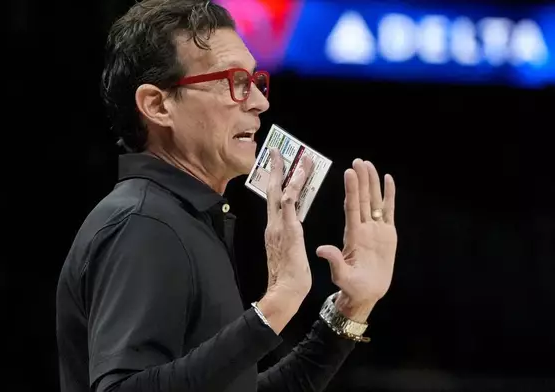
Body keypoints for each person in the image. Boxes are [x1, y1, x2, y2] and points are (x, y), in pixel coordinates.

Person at [55, 1, 398, 391]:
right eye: (234, 81)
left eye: (255, 81)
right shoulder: (143, 223)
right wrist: (278, 302)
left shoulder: (183, 218)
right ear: (157, 104)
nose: (259, 101)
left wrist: (353, 306)